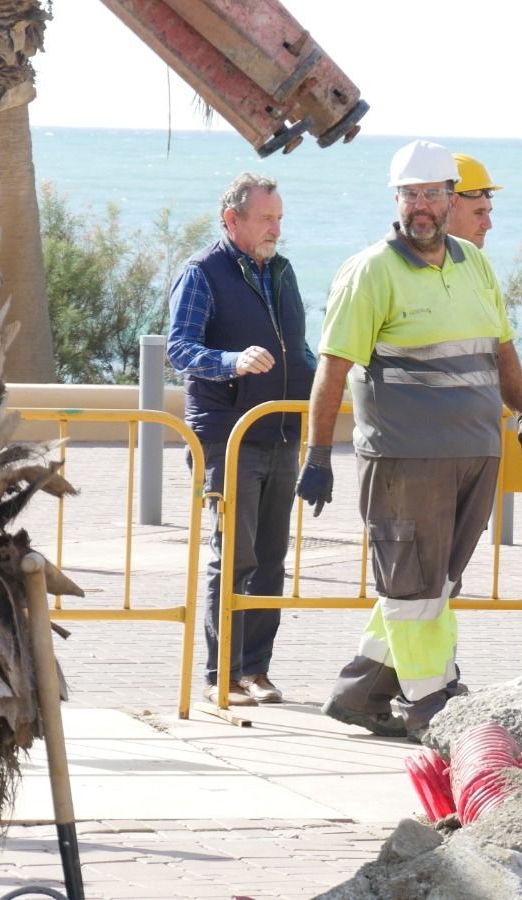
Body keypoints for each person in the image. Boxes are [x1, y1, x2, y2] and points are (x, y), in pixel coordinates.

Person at [295, 139, 522, 740]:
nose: (422, 207)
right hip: (405, 456)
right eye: (411, 195)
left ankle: (361, 692)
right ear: (397, 200)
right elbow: (332, 367)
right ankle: (434, 699)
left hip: (475, 451)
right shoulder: (371, 271)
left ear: (450, 198)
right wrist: (317, 453)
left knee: (437, 583)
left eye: (432, 194)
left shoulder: (474, 263)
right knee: (413, 582)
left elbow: (501, 348)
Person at [168, 173, 315, 707]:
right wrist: (230, 362)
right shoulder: (202, 272)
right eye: (266, 218)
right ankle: (220, 675)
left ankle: (256, 670)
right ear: (232, 220)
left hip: (281, 431)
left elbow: (297, 348)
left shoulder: (281, 270)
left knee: (273, 557)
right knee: (235, 556)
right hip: (228, 435)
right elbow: (179, 348)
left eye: (279, 217)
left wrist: (327, 382)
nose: (276, 227)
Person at [449, 152, 500, 249]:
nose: (488, 225)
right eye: (478, 213)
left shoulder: (475, 261)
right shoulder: (414, 262)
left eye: (488, 213)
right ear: (449, 205)